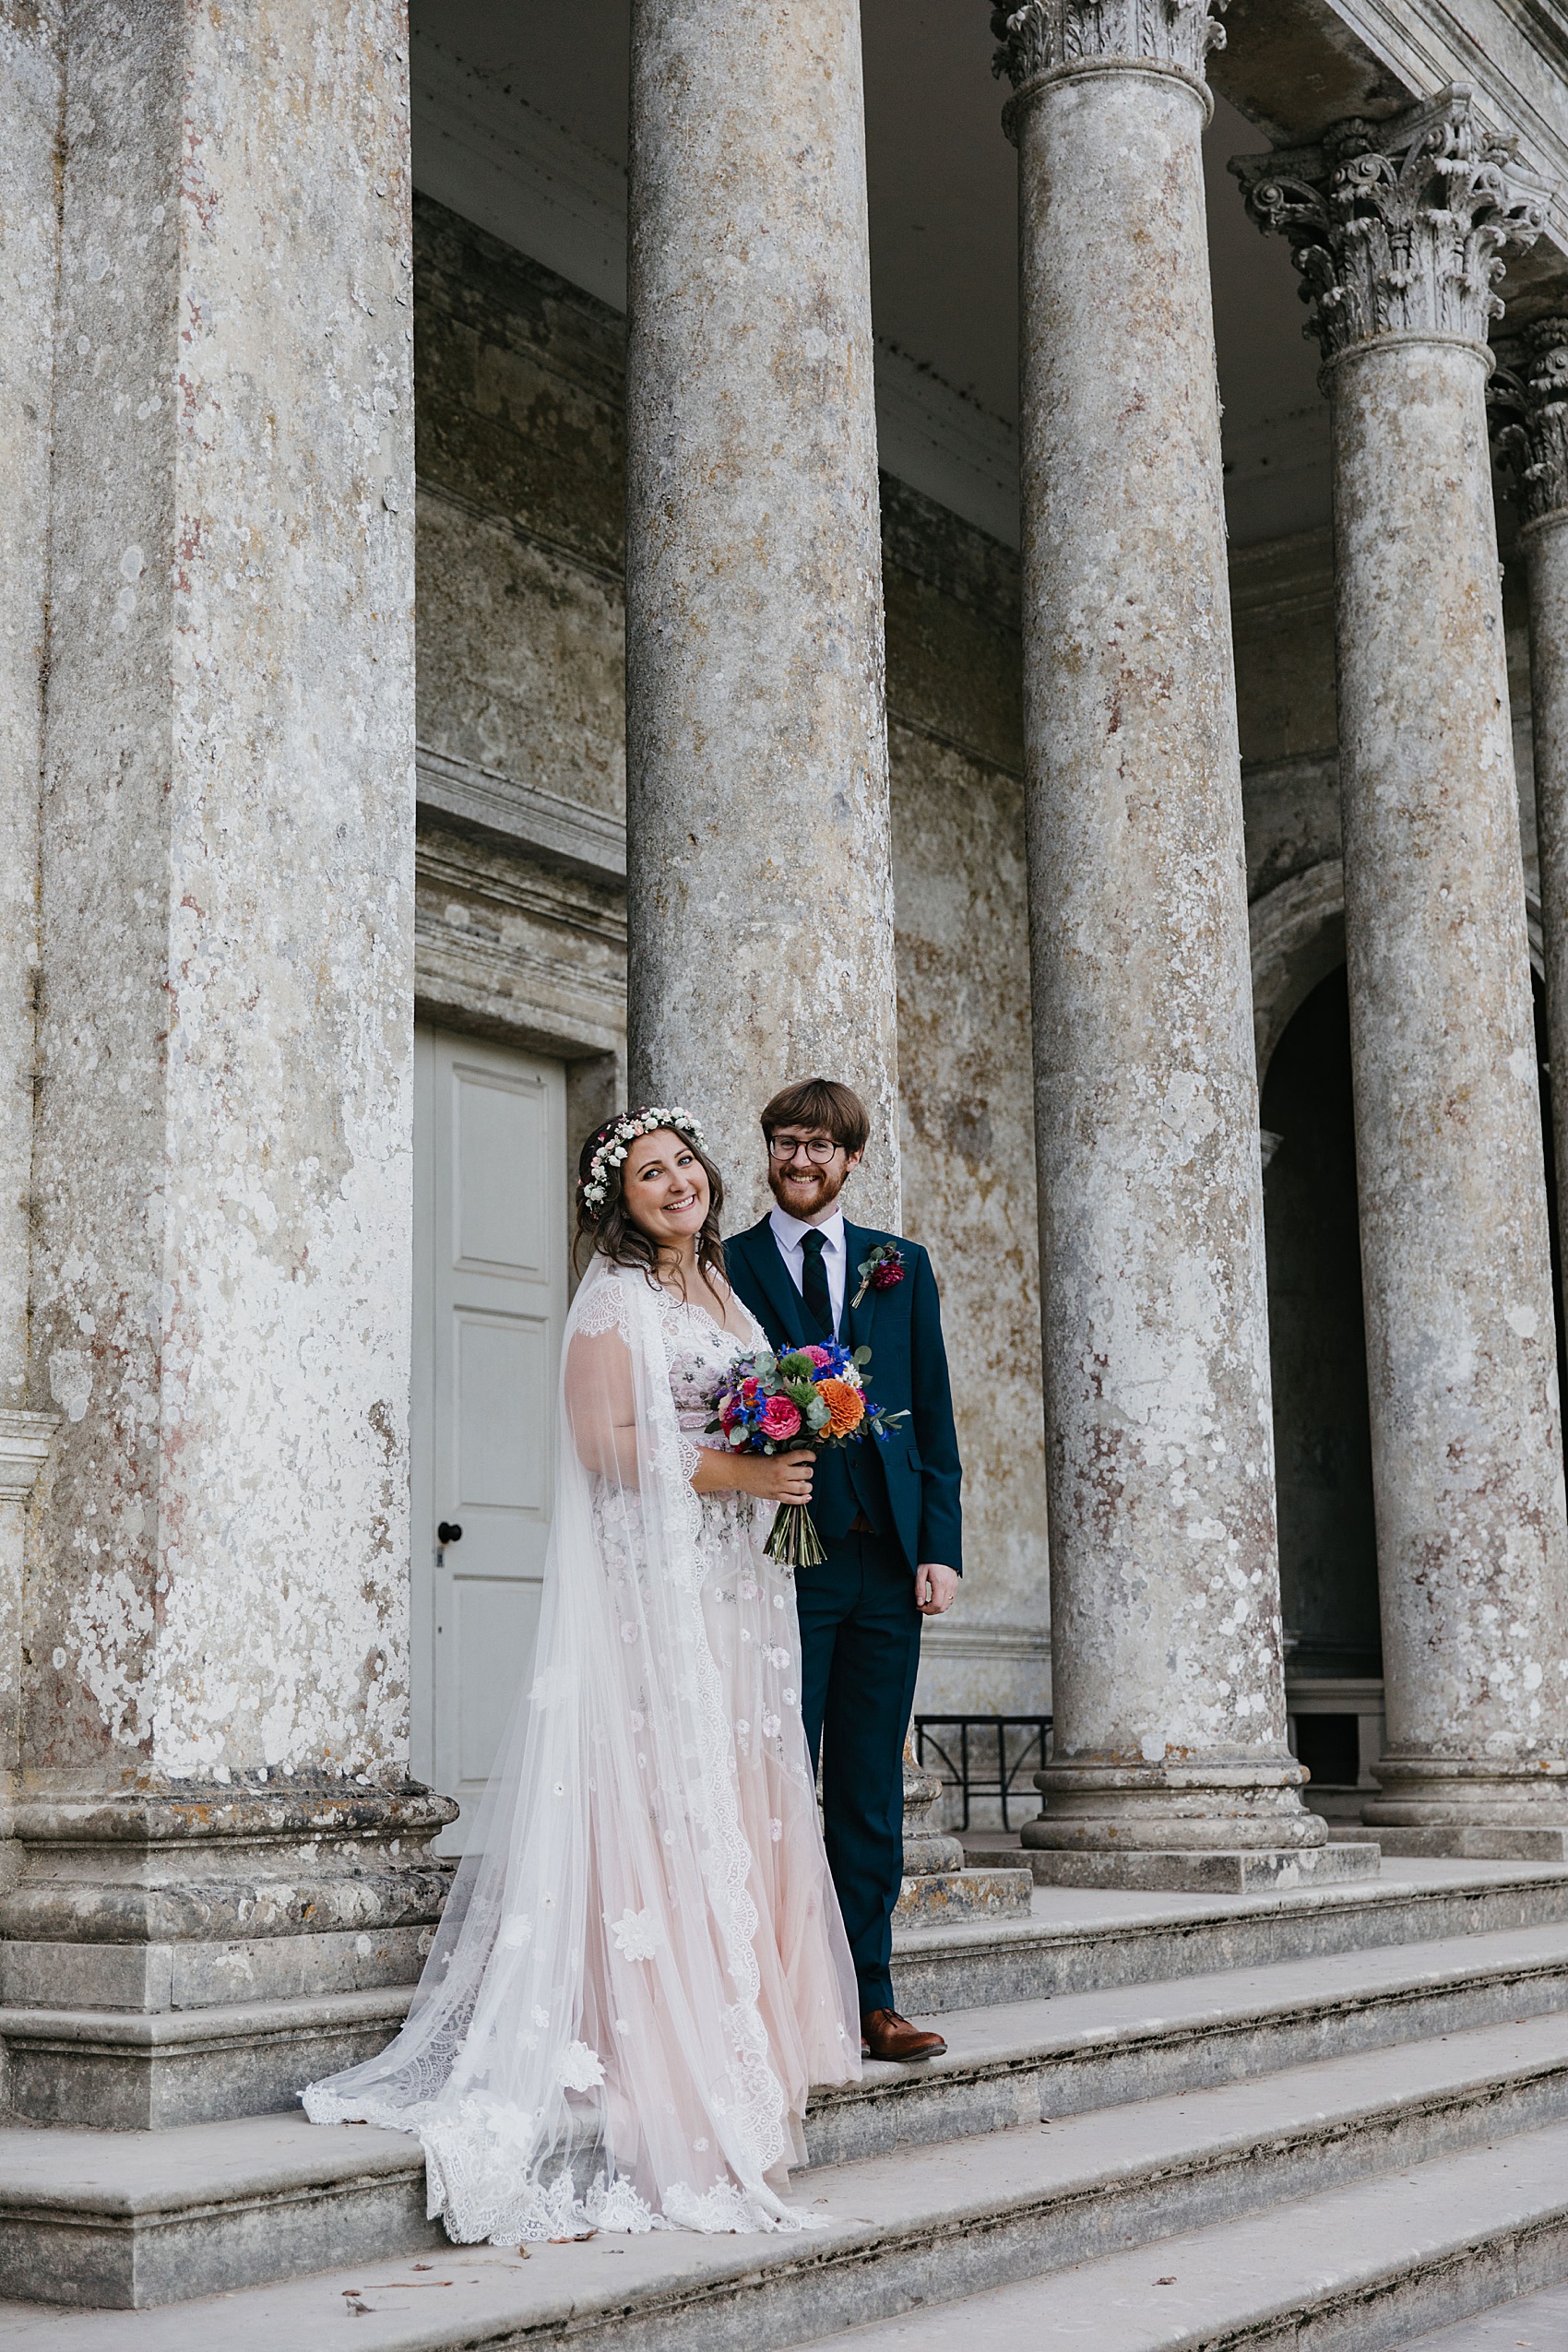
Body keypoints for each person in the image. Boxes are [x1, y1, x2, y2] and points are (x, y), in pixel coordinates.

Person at [303, 1109, 860, 2241]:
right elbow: (609, 1443)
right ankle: (659, 2052)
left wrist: (776, 1455)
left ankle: (738, 2034)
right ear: (620, 1200)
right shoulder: (614, 1304)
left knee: (738, 1788)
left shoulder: (724, 1296)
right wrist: (745, 1479)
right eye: (650, 1174)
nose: (675, 1184)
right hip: (657, 1584)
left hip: (733, 1588)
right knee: (667, 1788)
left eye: (683, 1166)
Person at [724, 1078, 961, 2065]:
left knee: (866, 1785)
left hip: (886, 1563)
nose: (801, 1161)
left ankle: (869, 1998)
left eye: (820, 1146)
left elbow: (935, 1415)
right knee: (772, 1777)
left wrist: (940, 1546)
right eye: (785, 1143)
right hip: (782, 1560)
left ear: (852, 1158)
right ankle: (766, 1996)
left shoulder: (899, 1267)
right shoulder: (726, 1264)